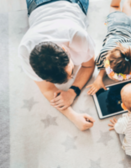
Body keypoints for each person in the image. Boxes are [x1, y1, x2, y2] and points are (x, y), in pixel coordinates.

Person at [18, 0, 96, 131]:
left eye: (71, 72)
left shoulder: (77, 36)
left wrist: (72, 92)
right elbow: (48, 89)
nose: (71, 78)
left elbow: (89, 66)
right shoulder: (26, 50)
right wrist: (74, 117)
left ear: (65, 49)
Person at [87, 0, 131, 95]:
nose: (116, 80)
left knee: (121, 5)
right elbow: (103, 67)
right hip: (121, 24)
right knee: (119, 5)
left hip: (129, 26)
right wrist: (99, 77)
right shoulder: (104, 54)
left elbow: (105, 66)